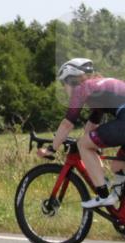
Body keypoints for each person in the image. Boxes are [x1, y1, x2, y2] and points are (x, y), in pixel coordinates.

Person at [40, 58, 125, 208]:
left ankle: (103, 194)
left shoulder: (81, 89)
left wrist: (51, 149)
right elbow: (92, 125)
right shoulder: (98, 88)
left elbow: (67, 123)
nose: (64, 88)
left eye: (63, 83)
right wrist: (85, 142)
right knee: (118, 166)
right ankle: (118, 206)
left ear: (71, 79)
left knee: (84, 145)